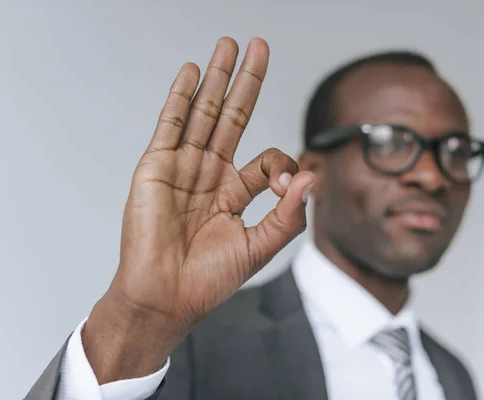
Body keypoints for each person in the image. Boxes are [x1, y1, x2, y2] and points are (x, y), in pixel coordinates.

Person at [24, 37, 483, 400]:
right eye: (390, 141)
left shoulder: (452, 375)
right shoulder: (195, 339)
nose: (432, 176)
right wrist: (136, 326)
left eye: (458, 152)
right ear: (314, 170)